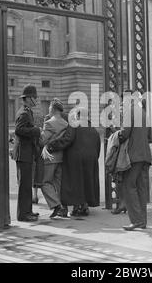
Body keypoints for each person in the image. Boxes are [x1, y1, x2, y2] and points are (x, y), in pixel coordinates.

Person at [46, 107, 101, 217]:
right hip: (92, 157)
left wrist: (51, 146)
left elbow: (67, 139)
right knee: (87, 182)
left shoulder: (74, 125)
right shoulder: (92, 127)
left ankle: (79, 207)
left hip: (76, 157)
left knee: (77, 182)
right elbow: (97, 143)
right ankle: (85, 206)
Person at [119, 91, 152, 231]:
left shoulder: (130, 112)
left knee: (129, 186)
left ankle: (136, 221)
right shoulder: (144, 113)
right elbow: (150, 136)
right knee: (141, 188)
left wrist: (117, 134)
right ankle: (142, 221)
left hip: (133, 156)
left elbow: (125, 133)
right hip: (145, 155)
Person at [12, 84, 41, 222]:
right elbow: (19, 130)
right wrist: (35, 130)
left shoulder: (27, 111)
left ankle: (27, 211)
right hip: (23, 153)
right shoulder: (24, 113)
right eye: (34, 97)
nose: (36, 99)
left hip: (26, 153)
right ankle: (23, 214)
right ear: (29, 98)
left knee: (27, 184)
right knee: (24, 185)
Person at [39, 98, 68, 219]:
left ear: (53, 109)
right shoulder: (66, 123)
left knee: (44, 182)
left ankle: (56, 205)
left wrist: (40, 130)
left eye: (49, 107)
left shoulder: (49, 123)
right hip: (61, 157)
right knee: (59, 183)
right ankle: (63, 208)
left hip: (50, 157)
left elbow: (42, 140)